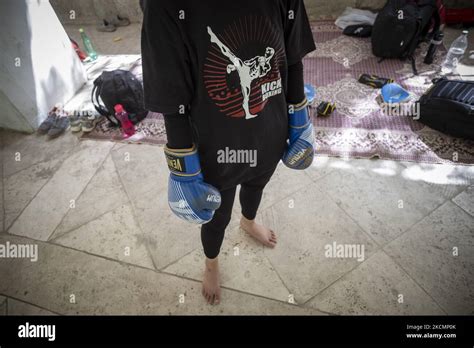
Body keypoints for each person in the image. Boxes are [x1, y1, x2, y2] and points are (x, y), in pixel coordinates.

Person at [141, 0, 316, 305]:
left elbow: (293, 58)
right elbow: (172, 98)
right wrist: (185, 170)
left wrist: (299, 123)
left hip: (269, 134)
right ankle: (211, 263)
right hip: (214, 148)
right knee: (215, 218)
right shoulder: (165, 6)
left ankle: (248, 222)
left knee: (256, 185)